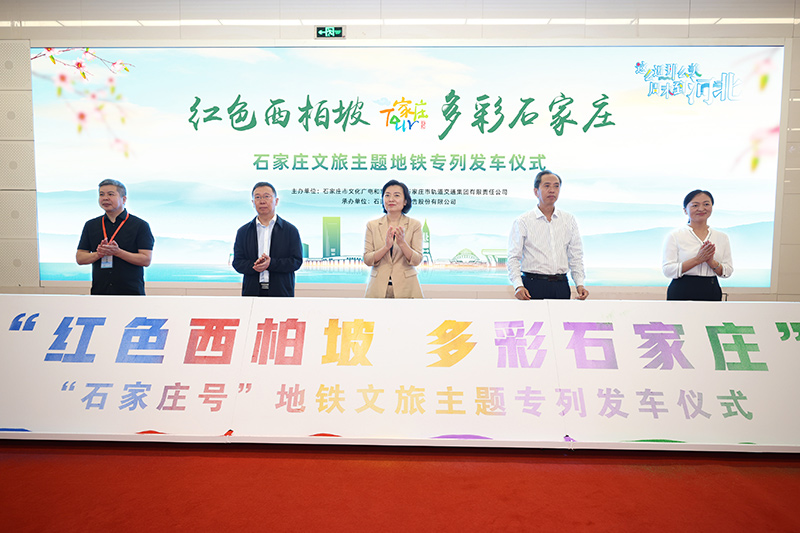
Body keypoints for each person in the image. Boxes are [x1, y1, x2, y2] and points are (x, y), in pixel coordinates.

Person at [507, 170, 589, 300]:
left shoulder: (569, 220)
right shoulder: (523, 221)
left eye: (556, 186)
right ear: (536, 191)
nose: (552, 190)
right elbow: (513, 258)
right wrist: (518, 286)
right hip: (532, 285)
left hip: (561, 285)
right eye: (547, 186)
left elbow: (576, 256)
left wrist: (579, 284)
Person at [76, 179, 154, 295]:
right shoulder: (91, 225)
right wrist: (98, 254)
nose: (105, 198)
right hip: (100, 292)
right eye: (101, 194)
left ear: (124, 199)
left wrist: (118, 252)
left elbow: (146, 260)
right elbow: (80, 258)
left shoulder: (140, 225)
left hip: (131, 293)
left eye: (110, 194)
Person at [233, 182, 303, 297]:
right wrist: (255, 265)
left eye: (266, 196)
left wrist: (271, 263)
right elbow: (237, 263)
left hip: (281, 293)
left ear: (276, 201)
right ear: (253, 202)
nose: (262, 201)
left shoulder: (290, 230)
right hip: (252, 293)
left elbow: (296, 261)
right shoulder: (243, 232)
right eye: (257, 197)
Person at [662, 189, 733, 301]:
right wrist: (697, 260)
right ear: (685, 210)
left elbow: (727, 271)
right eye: (695, 205)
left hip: (711, 288)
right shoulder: (675, 235)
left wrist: (711, 262)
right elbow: (668, 270)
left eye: (706, 204)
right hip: (682, 289)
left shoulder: (722, 237)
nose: (701, 209)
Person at [363, 179, 424, 298]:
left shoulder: (414, 225)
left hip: (407, 288)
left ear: (405, 201)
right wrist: (386, 247)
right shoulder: (372, 225)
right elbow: (367, 259)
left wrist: (402, 243)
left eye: (396, 195)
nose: (391, 199)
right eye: (387, 195)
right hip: (378, 288)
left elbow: (417, 260)